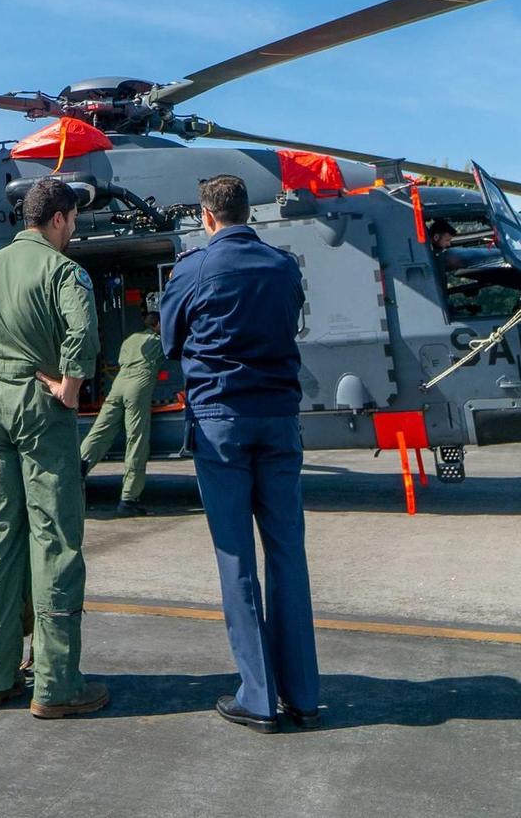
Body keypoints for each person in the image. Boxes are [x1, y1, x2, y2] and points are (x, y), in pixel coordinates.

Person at [160, 173, 319, 734]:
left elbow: (170, 341)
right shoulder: (283, 266)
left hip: (220, 423)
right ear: (247, 212)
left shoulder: (192, 269)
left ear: (206, 217)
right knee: (287, 555)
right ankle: (302, 693)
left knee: (236, 558)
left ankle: (258, 696)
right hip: (279, 420)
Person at [0, 178, 108, 719]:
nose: (73, 231)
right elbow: (83, 333)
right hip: (40, 406)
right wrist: (70, 386)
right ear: (60, 219)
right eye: (72, 221)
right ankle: (56, 684)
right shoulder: (64, 271)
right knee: (55, 538)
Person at [79, 304, 162, 517]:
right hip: (138, 387)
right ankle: (129, 499)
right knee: (136, 440)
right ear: (158, 325)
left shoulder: (130, 339)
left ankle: (76, 472)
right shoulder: (157, 340)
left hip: (118, 385)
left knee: (100, 430)